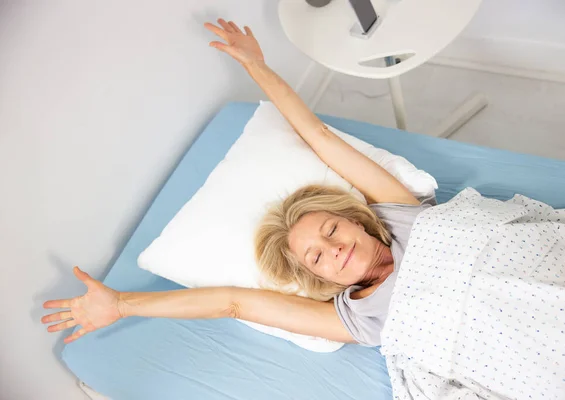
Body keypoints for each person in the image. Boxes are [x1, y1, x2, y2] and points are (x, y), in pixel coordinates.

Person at [41, 19, 432, 346]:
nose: (333, 248)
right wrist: (122, 305)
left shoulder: (400, 214)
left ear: (356, 221)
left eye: (331, 229)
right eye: (316, 257)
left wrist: (256, 66)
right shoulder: (354, 318)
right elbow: (234, 303)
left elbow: (321, 138)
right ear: (320, 278)